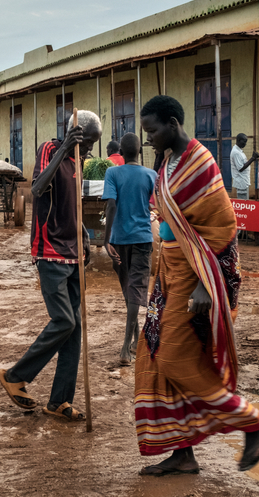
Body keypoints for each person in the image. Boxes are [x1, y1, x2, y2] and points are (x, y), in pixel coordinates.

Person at [136, 95, 259, 476]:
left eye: (152, 130)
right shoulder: (167, 161)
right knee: (154, 355)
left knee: (175, 356)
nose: (148, 139)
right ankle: (183, 453)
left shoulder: (200, 162)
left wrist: (202, 286)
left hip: (194, 275)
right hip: (168, 271)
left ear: (173, 124)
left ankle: (252, 422)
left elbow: (222, 226)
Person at [0, 111, 101, 422]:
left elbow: (73, 205)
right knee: (64, 321)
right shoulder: (49, 150)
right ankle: (15, 375)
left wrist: (83, 234)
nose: (90, 150)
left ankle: (59, 401)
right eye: (88, 142)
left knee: (75, 327)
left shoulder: (78, 162)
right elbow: (38, 189)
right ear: (75, 134)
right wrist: (64, 148)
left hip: (72, 253)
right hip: (50, 251)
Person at [102, 132, 158, 367]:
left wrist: (107, 239)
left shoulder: (112, 172)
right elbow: (154, 205)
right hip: (143, 238)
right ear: (140, 152)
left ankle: (127, 346)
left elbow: (111, 204)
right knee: (134, 289)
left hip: (120, 239)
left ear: (121, 153)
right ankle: (133, 341)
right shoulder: (151, 174)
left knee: (128, 288)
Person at [229, 134, 258, 199]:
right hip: (241, 182)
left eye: (246, 141)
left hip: (243, 181)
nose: (245, 144)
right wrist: (252, 158)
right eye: (244, 141)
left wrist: (253, 158)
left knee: (245, 202)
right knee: (243, 203)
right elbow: (241, 168)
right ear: (238, 140)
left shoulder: (239, 151)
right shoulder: (236, 152)